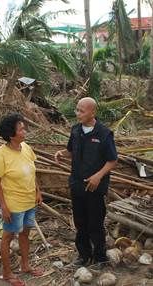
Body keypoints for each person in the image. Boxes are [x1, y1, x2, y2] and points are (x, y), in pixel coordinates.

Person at [55, 97, 117, 267]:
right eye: (77, 110)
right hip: (77, 184)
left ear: (93, 112)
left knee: (95, 223)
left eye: (81, 111)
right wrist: (62, 153)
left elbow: (112, 160)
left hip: (95, 187)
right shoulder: (75, 130)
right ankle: (83, 255)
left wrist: (98, 175)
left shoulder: (104, 134)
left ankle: (100, 257)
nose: (78, 114)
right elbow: (71, 151)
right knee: (80, 223)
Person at [0, 113, 43, 286]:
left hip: (30, 202)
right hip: (14, 204)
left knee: (25, 233)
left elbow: (32, 171)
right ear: (11, 135)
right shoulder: (1, 154)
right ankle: (6, 273)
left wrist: (38, 191)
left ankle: (25, 265)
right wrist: (4, 206)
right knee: (8, 237)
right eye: (21, 129)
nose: (24, 131)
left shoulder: (26, 148)